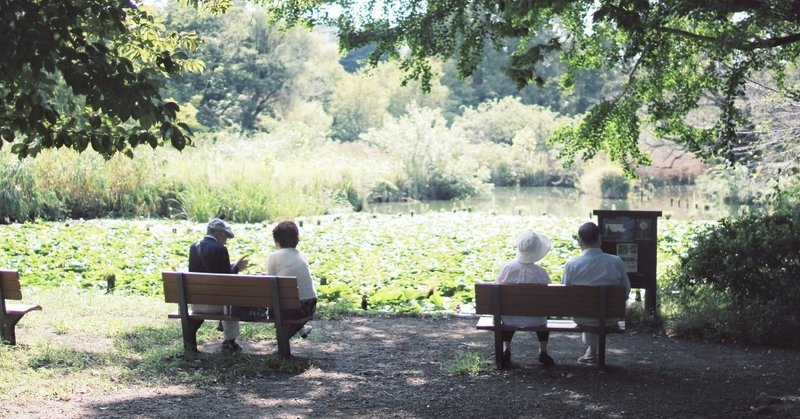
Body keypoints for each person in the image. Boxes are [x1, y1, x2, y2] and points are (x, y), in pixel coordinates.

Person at [562, 222, 631, 364]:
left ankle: (591, 352)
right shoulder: (616, 261)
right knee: (596, 308)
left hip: (581, 317)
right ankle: (591, 352)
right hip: (610, 316)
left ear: (580, 242)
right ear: (599, 239)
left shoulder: (571, 264)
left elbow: (565, 293)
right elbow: (626, 289)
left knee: (586, 308)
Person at [188, 218, 249, 352]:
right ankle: (230, 341)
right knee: (232, 302)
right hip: (216, 305)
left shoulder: (194, 247)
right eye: (225, 237)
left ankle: (190, 344)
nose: (226, 241)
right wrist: (237, 268)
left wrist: (233, 266)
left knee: (227, 300)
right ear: (219, 234)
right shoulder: (221, 249)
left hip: (196, 304)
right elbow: (227, 280)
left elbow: (204, 271)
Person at [495, 230, 555, 366]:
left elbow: (496, 289)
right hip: (537, 319)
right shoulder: (541, 273)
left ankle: (507, 348)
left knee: (508, 314)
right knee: (543, 314)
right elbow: (551, 299)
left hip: (509, 318)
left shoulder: (507, 268)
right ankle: (543, 351)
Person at [267, 220, 317, 340]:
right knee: (290, 299)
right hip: (309, 306)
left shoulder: (274, 256)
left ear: (277, 240)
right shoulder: (302, 255)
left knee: (280, 301)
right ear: (296, 239)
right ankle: (300, 329)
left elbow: (270, 283)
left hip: (287, 309)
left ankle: (283, 340)